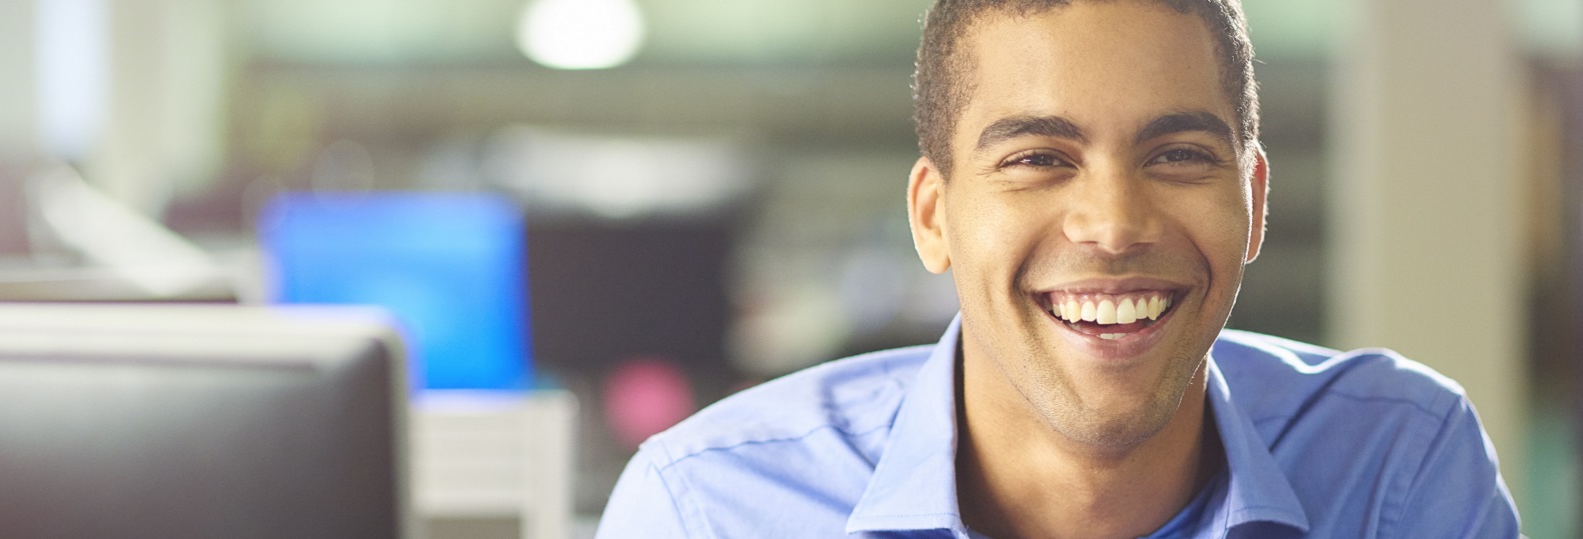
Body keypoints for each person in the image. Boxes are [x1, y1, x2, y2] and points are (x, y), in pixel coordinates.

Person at [596, 0, 1521, 537]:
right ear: (933, 216)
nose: (1114, 225)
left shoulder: (1396, 466)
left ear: (1255, 203)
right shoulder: (707, 508)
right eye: (1038, 158)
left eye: (1178, 155)